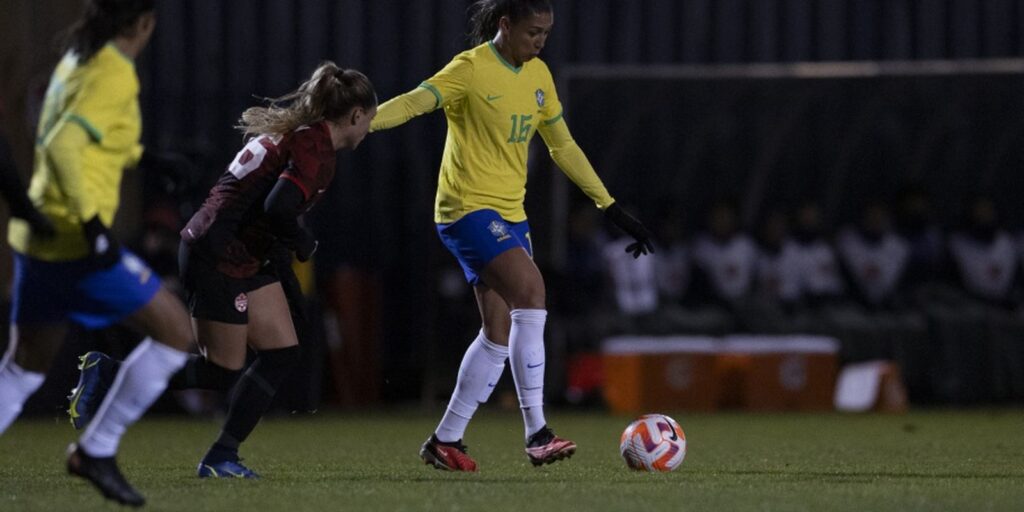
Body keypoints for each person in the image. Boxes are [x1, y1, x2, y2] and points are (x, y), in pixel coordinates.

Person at [370, 0, 653, 471]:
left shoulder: (539, 75)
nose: (540, 41)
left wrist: (611, 206)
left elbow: (562, 145)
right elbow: (417, 101)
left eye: (546, 33)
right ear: (505, 25)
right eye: (532, 32)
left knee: (497, 335)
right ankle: (538, 432)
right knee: (532, 292)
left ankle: (446, 439)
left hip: (510, 214)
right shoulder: (471, 68)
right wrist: (359, 123)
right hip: (466, 208)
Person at [69, 62, 378, 479]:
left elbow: (265, 214)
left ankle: (222, 455)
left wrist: (286, 278)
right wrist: (304, 244)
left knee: (282, 351)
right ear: (356, 115)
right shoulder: (315, 148)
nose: (368, 130)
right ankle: (108, 374)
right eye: (369, 120)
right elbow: (277, 208)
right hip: (218, 254)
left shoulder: (300, 136)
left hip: (238, 251)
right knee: (221, 369)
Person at [0, 1, 193, 506]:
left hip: (39, 235)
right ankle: (97, 450)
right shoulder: (114, 72)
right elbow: (65, 145)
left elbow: (80, 133)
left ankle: (96, 452)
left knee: (24, 367)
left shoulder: (78, 57)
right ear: (144, 22)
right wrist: (93, 229)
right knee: (175, 333)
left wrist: (147, 159)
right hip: (75, 243)